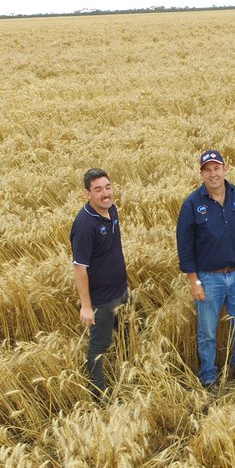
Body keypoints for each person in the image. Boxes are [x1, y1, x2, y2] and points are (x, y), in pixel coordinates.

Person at [177, 149, 235, 389]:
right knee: (207, 333)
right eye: (208, 170)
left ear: (225, 169)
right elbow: (185, 246)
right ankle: (208, 377)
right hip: (208, 278)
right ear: (202, 174)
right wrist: (194, 281)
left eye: (217, 168)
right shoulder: (192, 203)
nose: (213, 174)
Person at [70, 168, 128, 396]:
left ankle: (125, 374)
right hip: (102, 300)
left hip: (121, 291)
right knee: (98, 347)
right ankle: (98, 394)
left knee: (126, 335)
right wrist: (86, 306)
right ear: (87, 194)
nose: (105, 194)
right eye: (98, 190)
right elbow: (79, 267)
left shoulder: (111, 209)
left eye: (107, 187)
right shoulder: (85, 226)